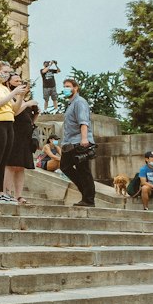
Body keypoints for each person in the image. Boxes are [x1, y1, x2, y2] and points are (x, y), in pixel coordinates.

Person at [0, 61, 28, 202]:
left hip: (9, 122)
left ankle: (0, 191)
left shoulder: (4, 88)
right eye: (6, 71)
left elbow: (14, 109)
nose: (7, 75)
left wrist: (20, 96)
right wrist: (14, 92)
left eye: (9, 72)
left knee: (4, 159)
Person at [60, 76, 96, 207]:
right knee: (65, 166)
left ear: (75, 88)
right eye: (64, 87)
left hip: (79, 141)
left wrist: (84, 139)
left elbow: (83, 121)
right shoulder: (71, 104)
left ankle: (89, 199)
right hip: (70, 142)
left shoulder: (79, 102)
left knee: (83, 170)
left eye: (68, 86)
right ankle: (86, 193)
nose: (66, 89)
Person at [4, 73, 40, 203]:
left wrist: (35, 112)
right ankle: (6, 193)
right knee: (11, 165)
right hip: (14, 133)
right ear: (9, 83)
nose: (19, 83)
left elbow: (30, 119)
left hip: (26, 136)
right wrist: (27, 103)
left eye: (20, 81)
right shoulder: (9, 97)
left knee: (21, 166)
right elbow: (14, 112)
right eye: (16, 81)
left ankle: (18, 194)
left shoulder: (23, 99)